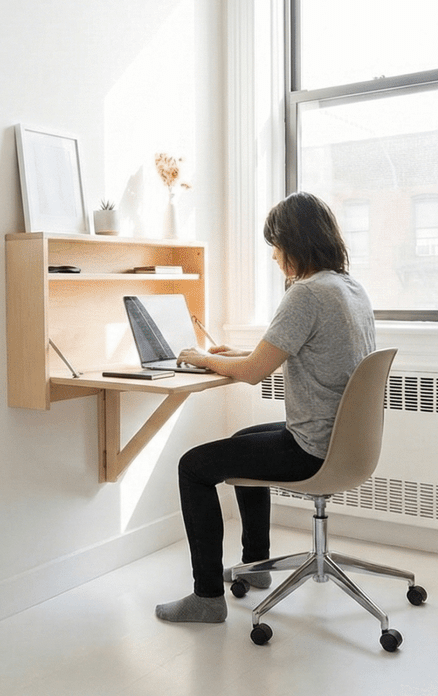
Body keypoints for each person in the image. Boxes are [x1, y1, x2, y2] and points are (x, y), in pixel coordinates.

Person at [154, 192, 375, 624]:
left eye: (276, 244)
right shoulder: (347, 287)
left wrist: (203, 359)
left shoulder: (306, 293)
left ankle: (206, 598)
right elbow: (286, 351)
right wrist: (229, 351)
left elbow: (255, 371)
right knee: (242, 441)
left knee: (193, 467)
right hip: (347, 440)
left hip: (312, 448)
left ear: (296, 242)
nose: (274, 255)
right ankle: (256, 566)